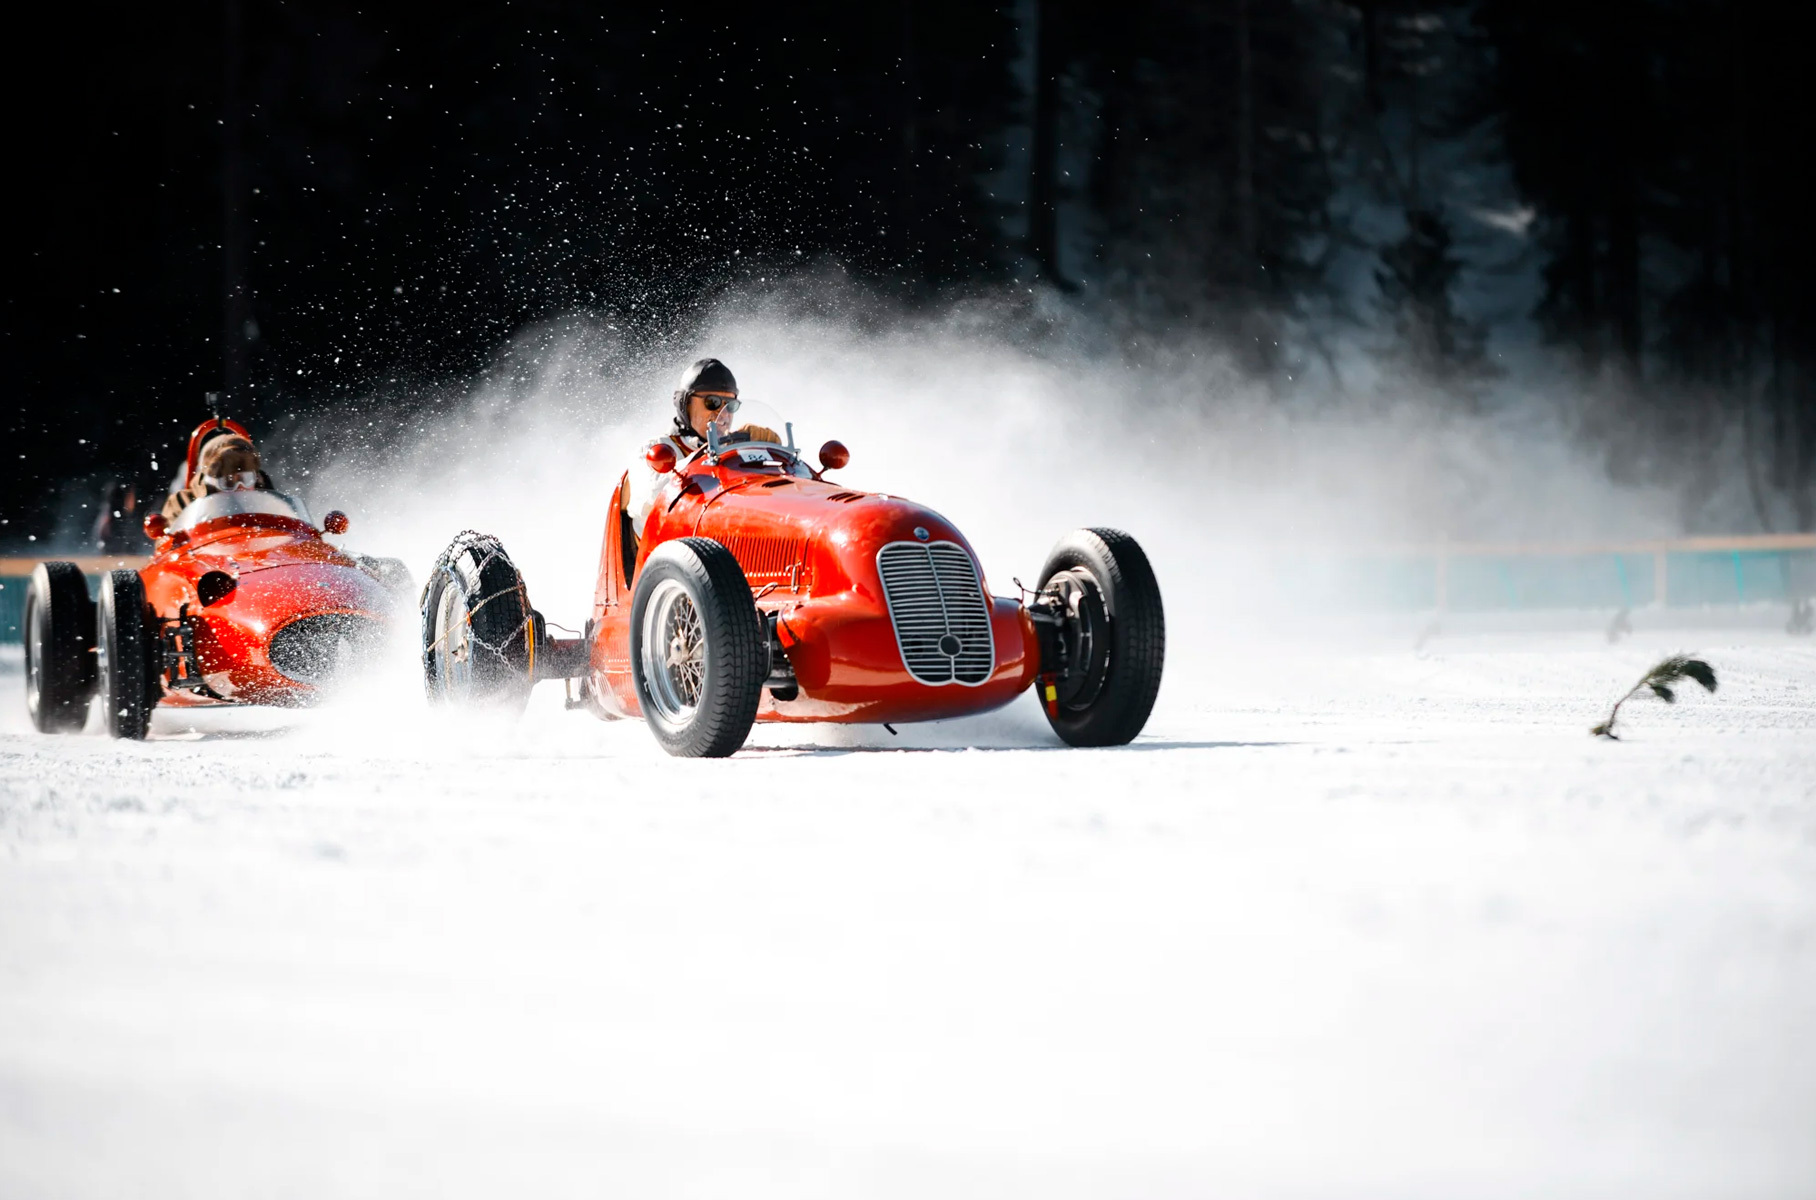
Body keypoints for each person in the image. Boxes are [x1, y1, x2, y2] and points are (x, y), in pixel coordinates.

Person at [622, 358, 780, 532]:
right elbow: (647, 504)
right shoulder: (655, 448)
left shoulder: (732, 453)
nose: (723, 414)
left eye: (731, 406)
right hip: (672, 552)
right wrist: (706, 454)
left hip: (726, 542)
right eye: (713, 402)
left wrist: (771, 458)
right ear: (686, 403)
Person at [161, 431, 272, 520]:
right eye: (228, 483)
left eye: (246, 479)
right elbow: (165, 540)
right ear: (211, 485)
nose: (240, 488)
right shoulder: (184, 504)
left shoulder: (268, 499)